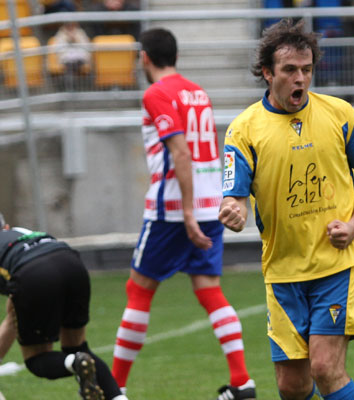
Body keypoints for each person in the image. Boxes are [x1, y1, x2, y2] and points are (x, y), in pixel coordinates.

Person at [219, 18, 354, 400]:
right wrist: (234, 210)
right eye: (290, 70)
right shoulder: (242, 130)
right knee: (291, 385)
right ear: (267, 73)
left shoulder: (340, 114)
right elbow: (234, 196)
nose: (300, 79)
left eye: (307, 70)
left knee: (325, 368)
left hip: (336, 263)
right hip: (282, 269)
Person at [110, 28, 255, 400]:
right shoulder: (197, 91)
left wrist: (186, 212)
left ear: (145, 57)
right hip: (211, 205)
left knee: (139, 289)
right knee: (209, 289)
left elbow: (180, 153)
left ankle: (113, 389)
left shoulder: (156, 93)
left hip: (174, 210)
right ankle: (242, 383)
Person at [0, 212, 127, 400]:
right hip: (70, 261)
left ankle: (75, 363)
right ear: (6, 227)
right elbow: (13, 312)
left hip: (33, 272)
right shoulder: (18, 233)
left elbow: (13, 317)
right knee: (79, 347)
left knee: (37, 358)